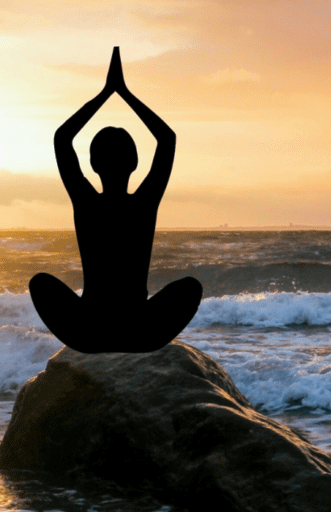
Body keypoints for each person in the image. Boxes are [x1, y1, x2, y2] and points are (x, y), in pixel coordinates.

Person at [29, 47, 203, 353]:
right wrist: (125, 93)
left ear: (94, 165)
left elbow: (62, 138)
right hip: (138, 331)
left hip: (89, 332)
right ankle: (134, 340)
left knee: (40, 283)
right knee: (191, 288)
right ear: (135, 164)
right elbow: (167, 139)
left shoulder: (86, 201)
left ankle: (98, 340)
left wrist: (105, 93)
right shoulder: (144, 202)